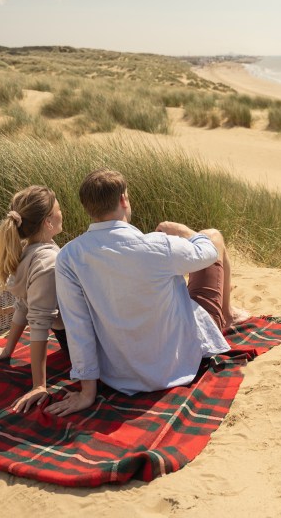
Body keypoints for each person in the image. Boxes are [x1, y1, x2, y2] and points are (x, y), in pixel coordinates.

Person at [47, 168, 247, 417]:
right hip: (178, 364)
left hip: (119, 376)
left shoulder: (68, 256)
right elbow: (209, 253)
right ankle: (227, 315)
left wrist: (88, 392)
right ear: (123, 200)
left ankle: (228, 312)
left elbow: (78, 326)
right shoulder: (157, 245)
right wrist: (184, 232)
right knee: (212, 236)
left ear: (87, 208)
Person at [0, 185, 69, 413]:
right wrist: (39, 385)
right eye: (58, 209)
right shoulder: (48, 262)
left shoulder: (26, 251)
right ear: (47, 221)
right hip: (76, 342)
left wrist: (7, 350)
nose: (61, 213)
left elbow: (23, 306)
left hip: (69, 338)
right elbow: (39, 324)